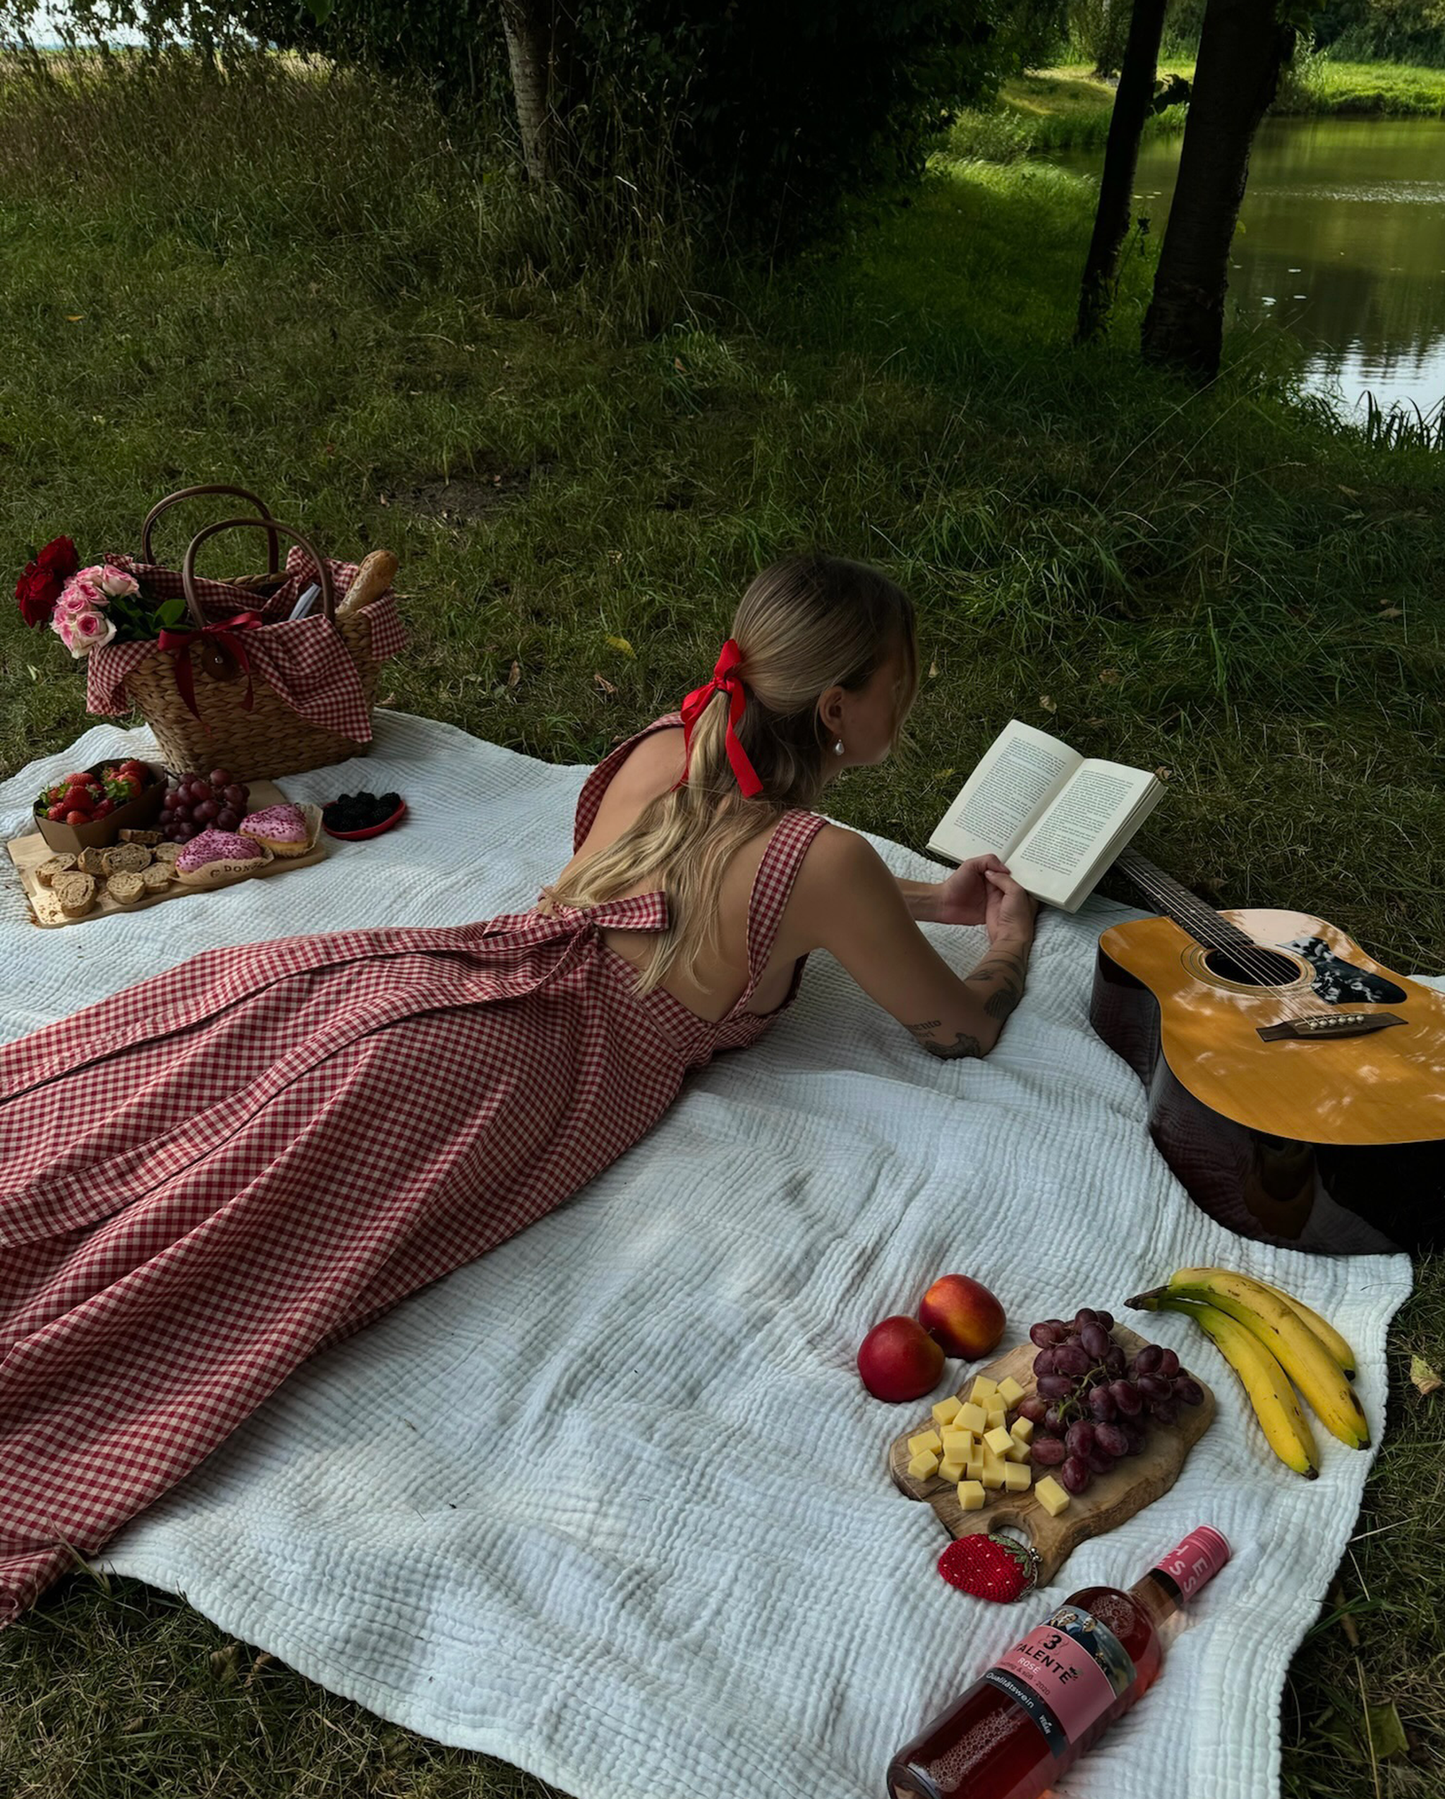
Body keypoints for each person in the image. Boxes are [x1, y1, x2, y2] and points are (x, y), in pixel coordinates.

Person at [0, 552, 1036, 1626]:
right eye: (898, 690)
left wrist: (925, 900)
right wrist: (1004, 942)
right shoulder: (821, 862)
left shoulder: (670, 742)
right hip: (513, 1073)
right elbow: (957, 1027)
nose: (905, 713)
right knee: (227, 1243)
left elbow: (733, 865)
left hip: (434, 975)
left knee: (167, 1113)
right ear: (833, 705)